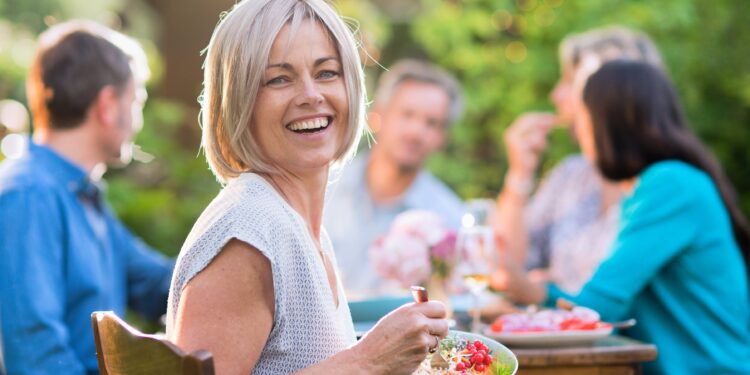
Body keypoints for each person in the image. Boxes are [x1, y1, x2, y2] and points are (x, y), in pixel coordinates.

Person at [166, 1, 449, 374]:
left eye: (327, 73)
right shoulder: (248, 235)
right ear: (239, 100)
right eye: (279, 79)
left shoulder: (294, 223)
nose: (311, 95)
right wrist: (368, 362)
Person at [493, 60, 750, 374]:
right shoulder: (658, 187)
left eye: (583, 119)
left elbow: (598, 309)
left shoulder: (671, 184)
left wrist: (530, 290)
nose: (579, 132)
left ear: (606, 122)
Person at [0, 21, 174, 374]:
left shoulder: (81, 195)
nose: (137, 119)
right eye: (136, 100)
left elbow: (158, 283)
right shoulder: (29, 197)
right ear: (108, 105)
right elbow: (36, 358)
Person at [493, 26, 665, 293]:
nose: (556, 95)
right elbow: (506, 268)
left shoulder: (664, 186)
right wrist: (519, 174)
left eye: (569, 82)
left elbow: (613, 298)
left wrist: (539, 291)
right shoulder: (569, 175)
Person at [324, 59, 465, 297]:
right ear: (376, 115)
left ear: (442, 137)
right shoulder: (321, 190)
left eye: (431, 123)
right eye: (407, 115)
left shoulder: (450, 218)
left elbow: (454, 299)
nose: (416, 132)